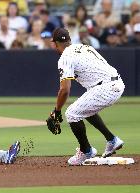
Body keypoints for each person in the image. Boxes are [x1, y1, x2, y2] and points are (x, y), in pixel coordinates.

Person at [48, 28, 125, 166]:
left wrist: (57, 111)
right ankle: (112, 140)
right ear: (69, 40)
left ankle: (86, 151)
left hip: (106, 87)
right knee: (83, 108)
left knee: (71, 113)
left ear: (55, 43)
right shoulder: (84, 47)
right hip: (116, 82)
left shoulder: (65, 57)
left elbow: (64, 90)